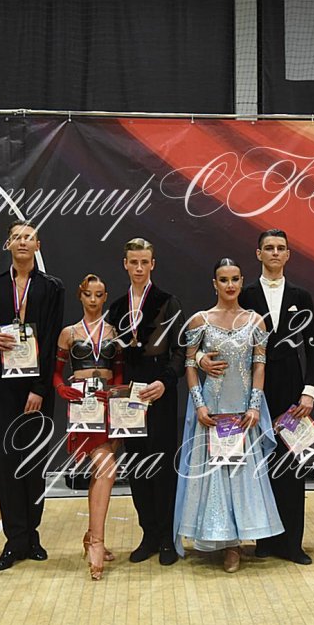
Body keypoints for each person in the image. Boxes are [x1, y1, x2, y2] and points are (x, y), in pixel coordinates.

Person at [173, 258, 284, 573]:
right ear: (215, 284)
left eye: (235, 279)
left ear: (241, 281)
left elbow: (259, 366)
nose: (230, 285)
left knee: (241, 471)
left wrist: (254, 405)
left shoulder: (256, 322)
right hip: (212, 410)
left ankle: (237, 543)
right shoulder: (200, 321)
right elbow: (189, 364)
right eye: (224, 279)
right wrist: (199, 404)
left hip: (242, 412)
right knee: (213, 473)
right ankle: (220, 538)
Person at [218, 228, 314, 566]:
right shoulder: (244, 294)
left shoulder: (302, 296)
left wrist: (308, 391)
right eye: (269, 248)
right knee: (258, 463)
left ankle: (292, 543)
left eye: (281, 248)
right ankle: (264, 540)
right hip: (254, 387)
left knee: (291, 463)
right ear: (258, 254)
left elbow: (313, 347)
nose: (275, 253)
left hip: (291, 387)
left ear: (288, 254)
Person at [0, 221, 64, 572]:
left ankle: (32, 534)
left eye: (28, 238)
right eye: (16, 237)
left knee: (33, 461)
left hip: (36, 388)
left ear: (38, 245)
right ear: (8, 244)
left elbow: (52, 341)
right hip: (4, 386)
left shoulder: (52, 287)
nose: (22, 242)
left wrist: (40, 388)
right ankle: (14, 539)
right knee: (7, 462)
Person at [107, 238, 185, 566]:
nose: (139, 268)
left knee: (162, 465)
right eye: (133, 262)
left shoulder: (168, 302)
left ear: (152, 264)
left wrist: (164, 381)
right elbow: (113, 355)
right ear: (125, 264)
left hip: (159, 389)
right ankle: (148, 534)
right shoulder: (116, 307)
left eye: (144, 262)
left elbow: (181, 351)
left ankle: (167, 537)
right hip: (129, 391)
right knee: (138, 465)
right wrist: (115, 388)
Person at [52, 274, 123, 580]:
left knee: (101, 472)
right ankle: (97, 542)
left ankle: (92, 535)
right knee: (106, 469)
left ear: (105, 297)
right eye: (88, 294)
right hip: (82, 406)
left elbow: (118, 371)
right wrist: (60, 388)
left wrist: (116, 392)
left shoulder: (113, 332)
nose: (93, 300)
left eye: (99, 294)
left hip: (108, 406)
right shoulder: (68, 333)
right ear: (80, 296)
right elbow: (56, 372)